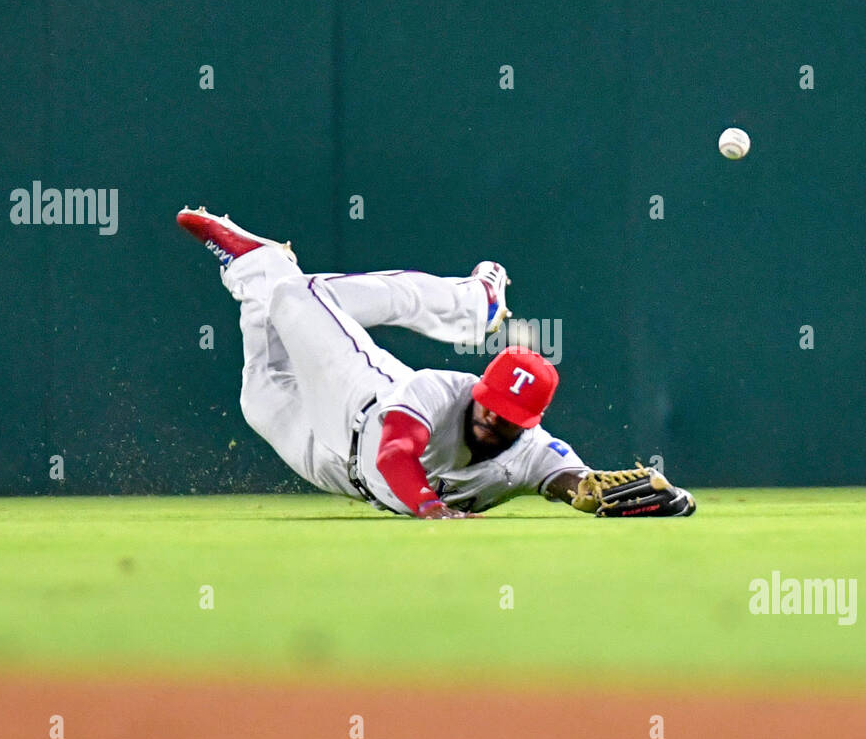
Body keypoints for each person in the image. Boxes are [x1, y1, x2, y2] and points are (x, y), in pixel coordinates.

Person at [176, 207, 695, 519]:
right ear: (480, 389)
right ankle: (474, 303)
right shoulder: (439, 391)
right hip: (359, 401)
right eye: (490, 403)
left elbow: (574, 482)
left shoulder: (533, 454)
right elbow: (394, 454)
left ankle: (253, 266)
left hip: (334, 468)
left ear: (530, 423)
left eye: (508, 416)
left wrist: (609, 496)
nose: (492, 415)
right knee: (295, 297)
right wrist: (432, 510)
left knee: (260, 394)